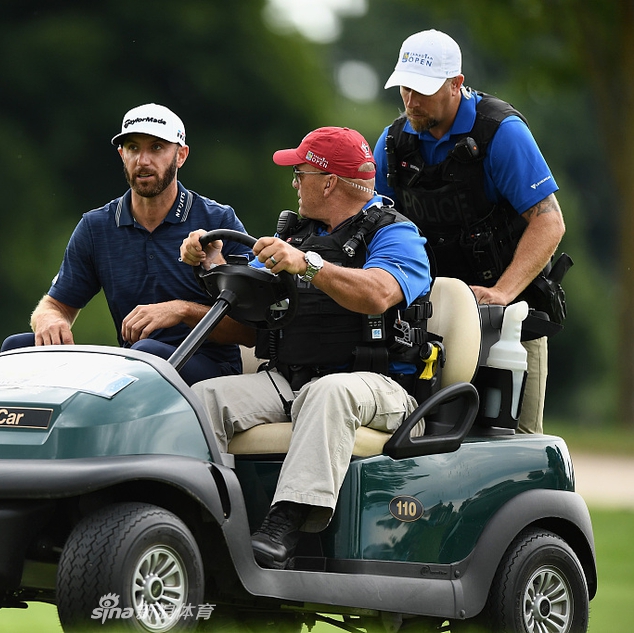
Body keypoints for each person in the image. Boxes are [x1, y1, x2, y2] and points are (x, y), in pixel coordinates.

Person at [180, 127, 431, 569]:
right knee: (203, 399)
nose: (294, 183)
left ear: (328, 181)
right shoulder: (297, 236)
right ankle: (195, 521)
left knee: (329, 392)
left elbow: (377, 293)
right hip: (290, 379)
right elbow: (244, 306)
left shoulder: (395, 234)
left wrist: (310, 266)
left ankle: (285, 524)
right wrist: (214, 263)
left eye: (300, 174)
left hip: (379, 385)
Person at [373, 29, 566, 434]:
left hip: (508, 322)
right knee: (430, 442)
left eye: (422, 90)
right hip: (430, 321)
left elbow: (549, 221)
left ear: (456, 84)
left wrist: (502, 293)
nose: (411, 99)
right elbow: (375, 224)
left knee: (516, 443)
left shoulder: (501, 132)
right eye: (405, 87)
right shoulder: (393, 143)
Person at [1, 103, 251, 385]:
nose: (143, 160)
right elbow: (55, 305)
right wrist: (49, 320)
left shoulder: (218, 219)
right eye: (133, 148)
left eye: (156, 148)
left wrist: (181, 310)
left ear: (180, 155)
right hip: (133, 368)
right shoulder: (96, 227)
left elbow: (250, 331)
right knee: (17, 348)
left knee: (145, 355)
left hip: (210, 370)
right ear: (122, 155)